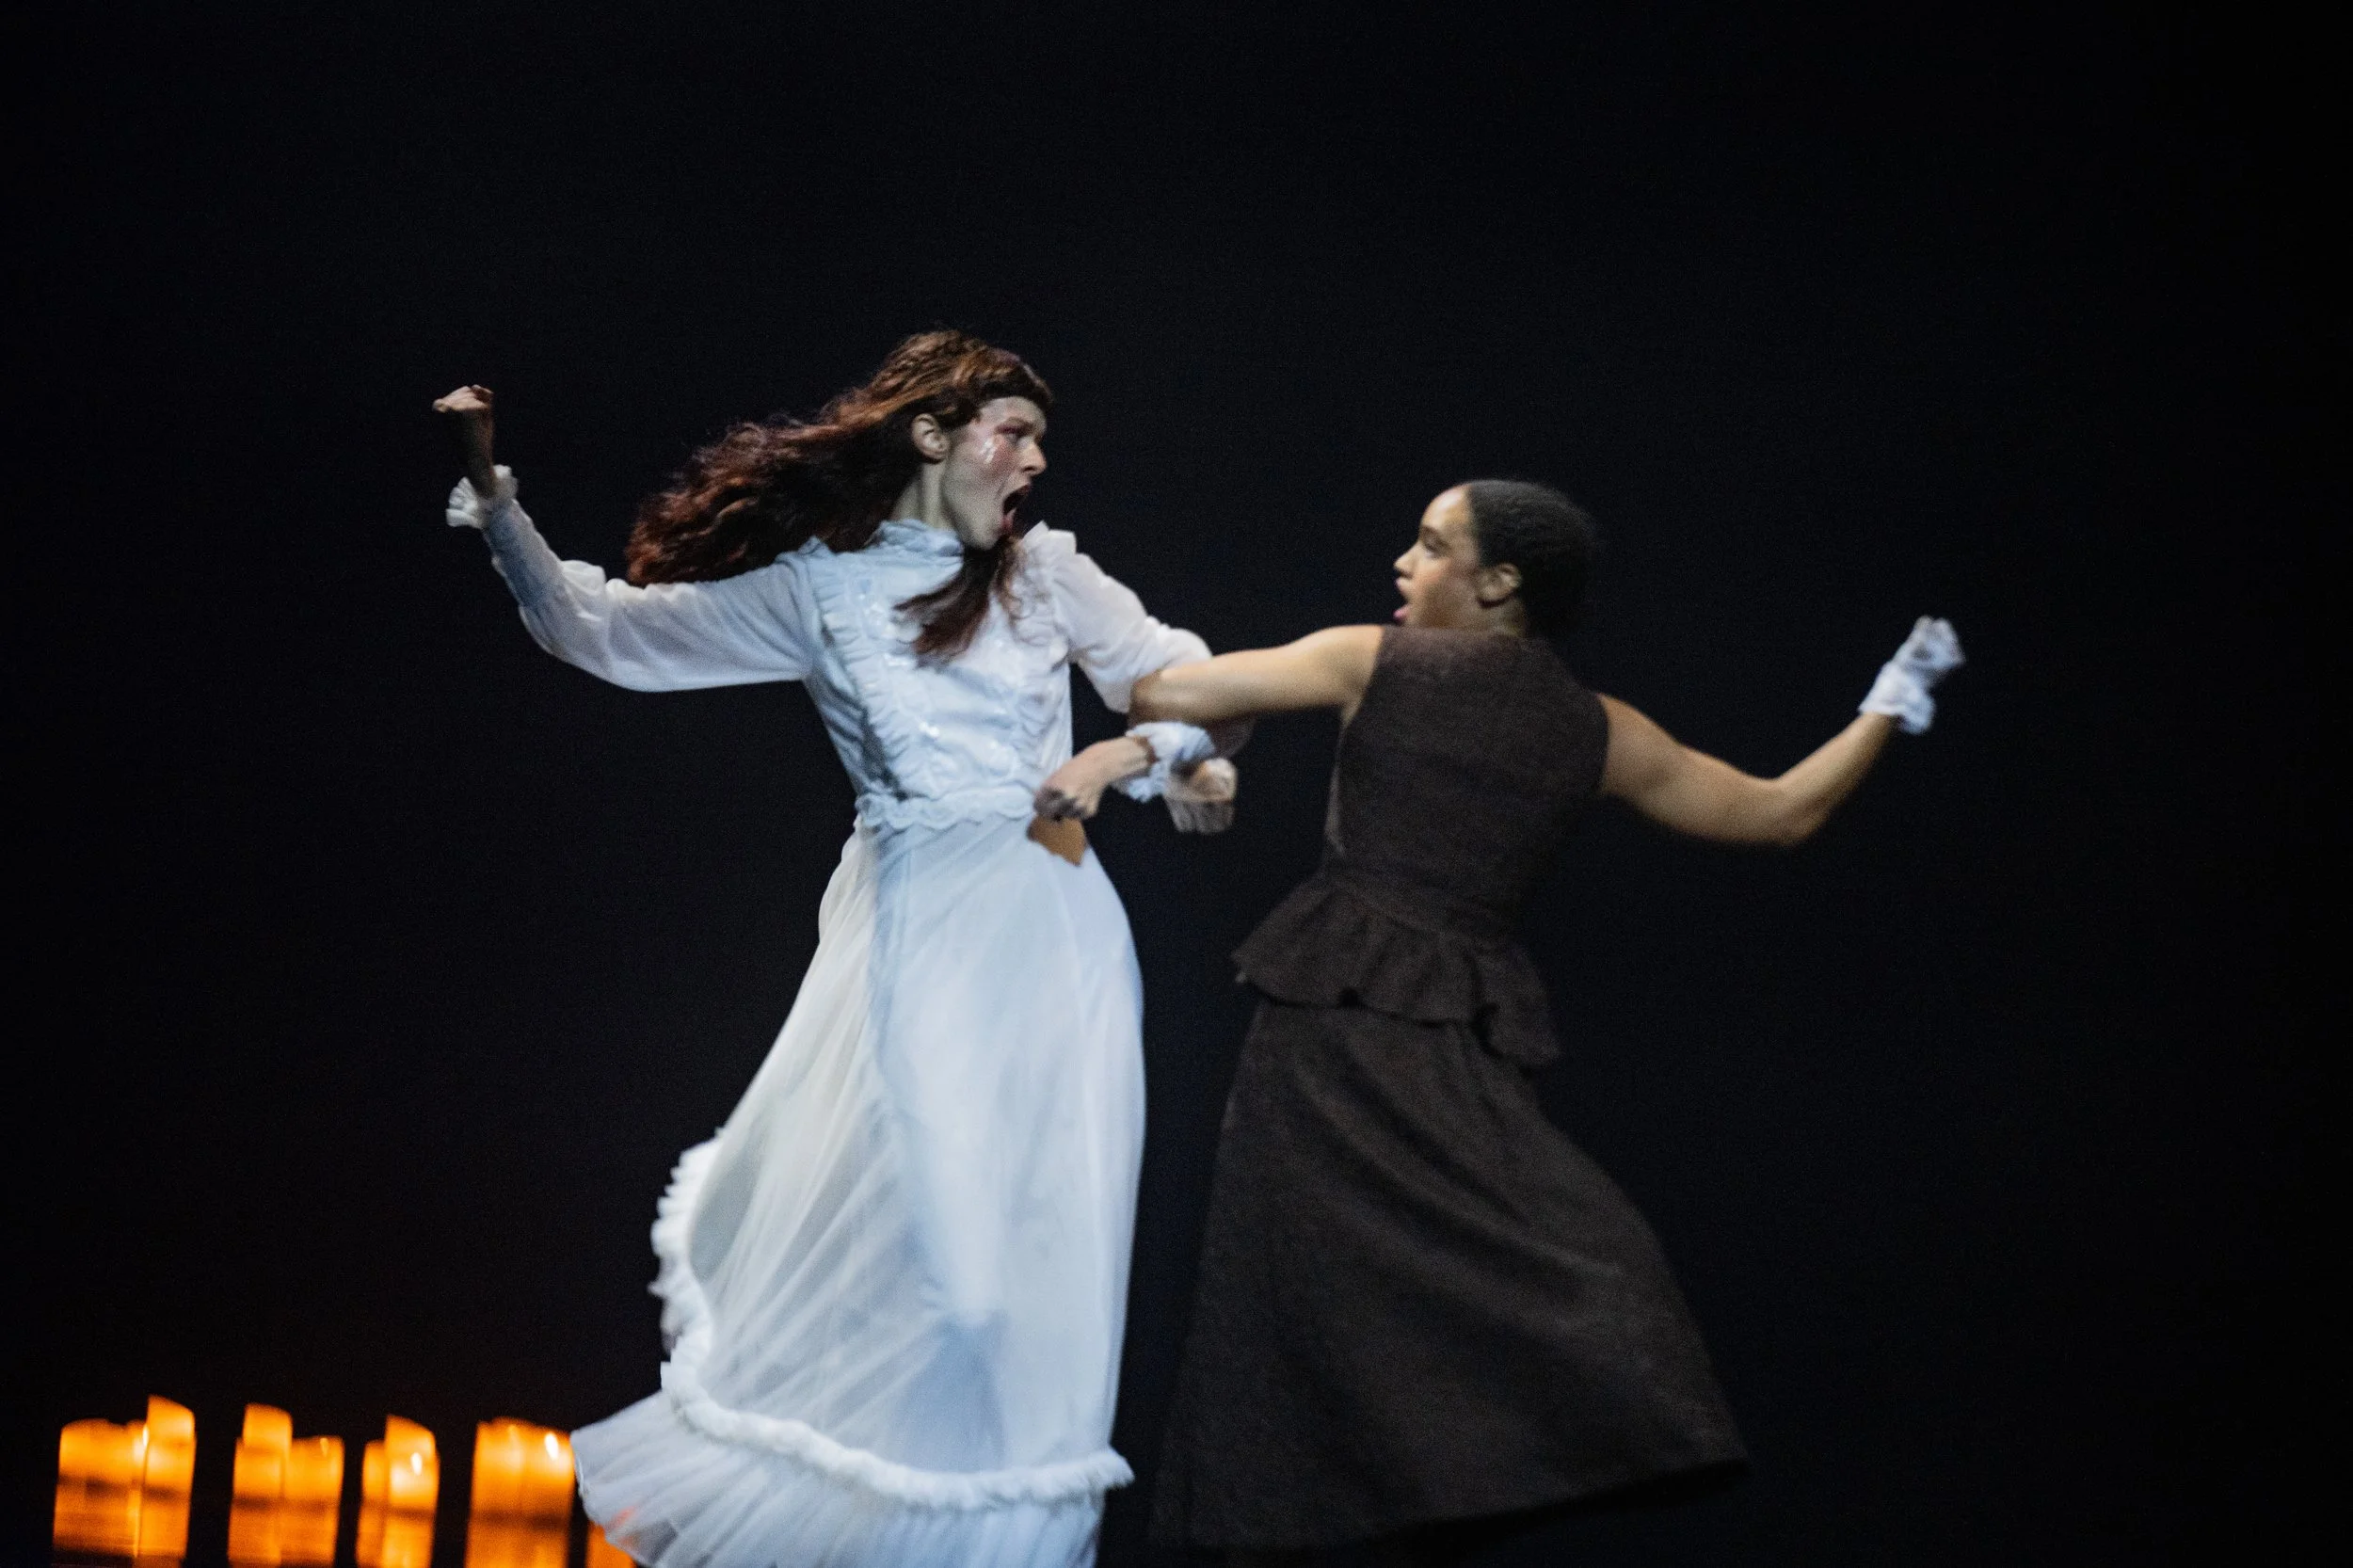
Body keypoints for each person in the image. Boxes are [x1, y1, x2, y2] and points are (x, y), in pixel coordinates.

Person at [1035, 479, 1963, 1564]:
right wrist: (1891, 702)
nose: (1403, 563)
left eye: (1431, 546)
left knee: (1311, 1313)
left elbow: (1161, 685)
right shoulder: (1595, 727)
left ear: (1497, 582)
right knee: (1443, 1301)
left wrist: (1054, 589)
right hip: (1428, 1048)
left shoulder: (1378, 661)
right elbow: (1779, 810)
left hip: (1342, 1033)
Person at [432, 331, 1237, 1568]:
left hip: (1062, 932)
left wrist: (1162, 753)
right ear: (930, 434)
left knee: (1045, 1287)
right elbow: (601, 632)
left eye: (1040, 440)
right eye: (1012, 431)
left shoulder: (1047, 575)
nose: (1034, 460)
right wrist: (493, 491)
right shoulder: (819, 590)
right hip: (921, 931)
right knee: (951, 1285)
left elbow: (1178, 676)